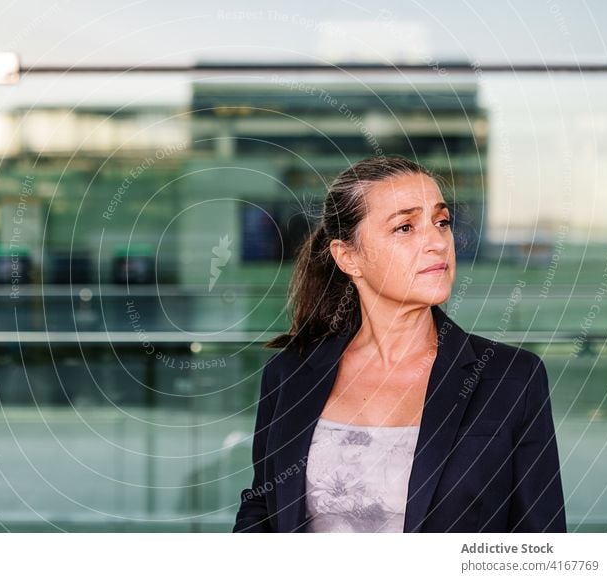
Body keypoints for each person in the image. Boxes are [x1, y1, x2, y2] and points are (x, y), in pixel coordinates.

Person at [232, 155, 566, 533]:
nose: (438, 242)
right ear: (348, 257)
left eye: (441, 222)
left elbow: (541, 539)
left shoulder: (512, 378)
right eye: (405, 227)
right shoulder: (289, 373)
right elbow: (263, 506)